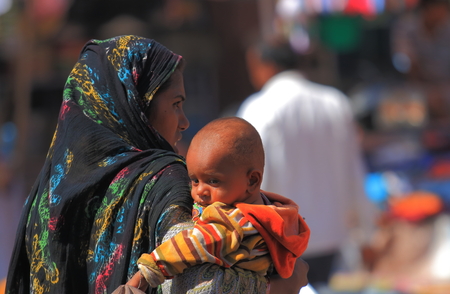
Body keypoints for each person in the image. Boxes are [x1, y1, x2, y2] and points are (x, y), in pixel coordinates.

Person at [6, 35, 309, 294]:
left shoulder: (50, 193)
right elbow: (199, 285)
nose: (184, 122)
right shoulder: (165, 179)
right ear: (137, 107)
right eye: (176, 104)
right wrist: (281, 286)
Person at [237, 37, 375, 287]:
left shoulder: (259, 109)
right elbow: (354, 171)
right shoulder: (335, 102)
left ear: (265, 66)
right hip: (332, 235)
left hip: (282, 242)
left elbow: (251, 183)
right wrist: (367, 234)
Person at [124, 117, 310, 291]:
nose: (199, 191)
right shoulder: (268, 210)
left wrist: (146, 273)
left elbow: (193, 244)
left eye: (213, 181)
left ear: (252, 181)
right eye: (194, 180)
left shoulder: (233, 222)